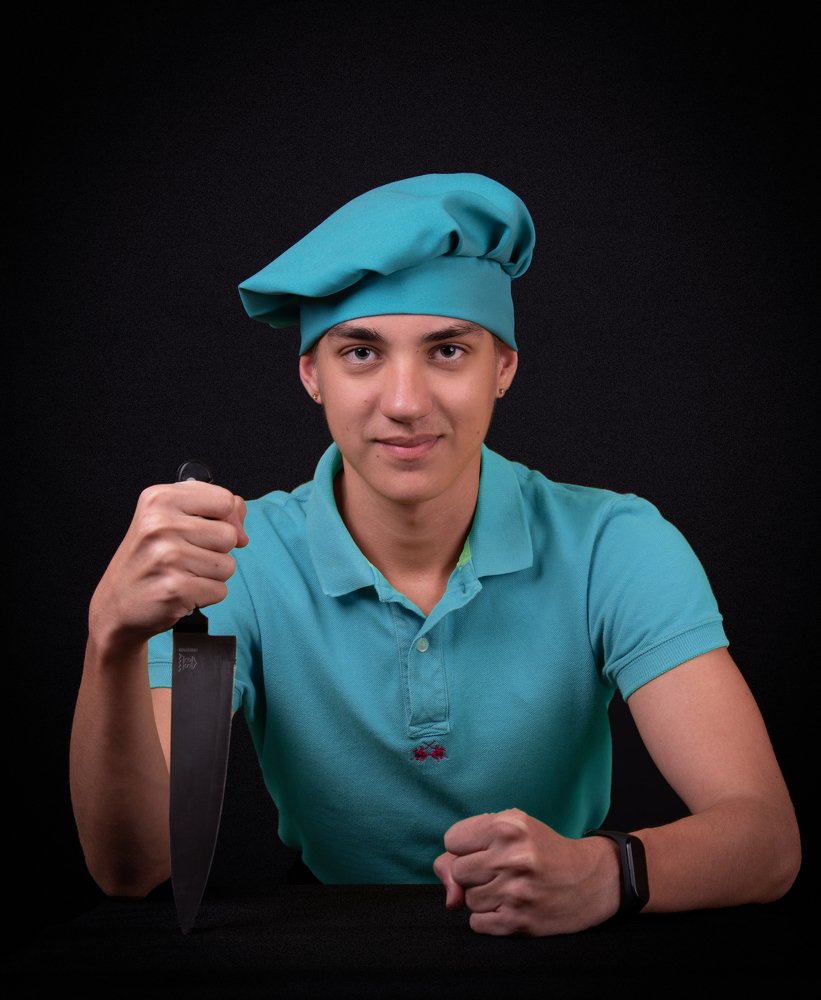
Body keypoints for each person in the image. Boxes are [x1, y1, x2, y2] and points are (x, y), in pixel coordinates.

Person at [69, 172, 800, 937]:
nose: (405, 402)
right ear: (312, 375)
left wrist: (605, 872)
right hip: (326, 945)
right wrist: (109, 639)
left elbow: (765, 840)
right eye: (361, 353)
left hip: (563, 940)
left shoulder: (614, 545)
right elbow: (132, 868)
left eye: (447, 350)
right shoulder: (232, 562)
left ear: (502, 367)